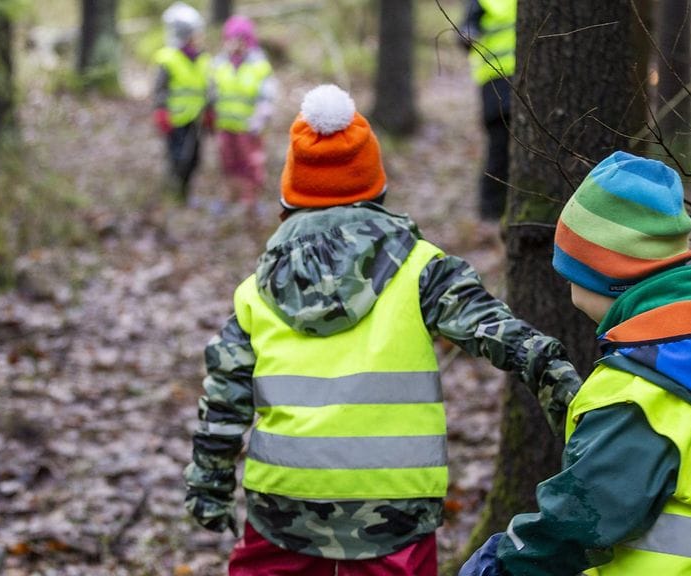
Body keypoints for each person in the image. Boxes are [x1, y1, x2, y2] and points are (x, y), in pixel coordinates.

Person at [184, 84, 583, 576]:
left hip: (282, 505)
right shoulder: (424, 271)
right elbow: (506, 338)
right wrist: (568, 393)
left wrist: (210, 486)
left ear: (288, 196)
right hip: (396, 508)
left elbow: (224, 402)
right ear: (376, 187)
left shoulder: (258, 289)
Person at [460, 151, 691, 575]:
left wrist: (493, 566)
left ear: (602, 275)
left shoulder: (637, 394)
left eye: (570, 268)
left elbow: (574, 526)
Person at [210, 15, 276, 214]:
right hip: (225, 125)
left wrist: (261, 118)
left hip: (249, 128)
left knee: (251, 164)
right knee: (227, 162)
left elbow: (267, 96)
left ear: (248, 40)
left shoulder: (259, 65)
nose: (235, 44)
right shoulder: (219, 64)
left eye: (241, 39)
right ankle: (229, 197)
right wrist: (210, 114)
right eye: (231, 39)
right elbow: (212, 92)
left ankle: (251, 201)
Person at [461, 0, 515, 222]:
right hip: (496, 81)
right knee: (499, 147)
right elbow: (465, 33)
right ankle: (490, 213)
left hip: (530, 79)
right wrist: (467, 34)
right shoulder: (481, 2)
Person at [152, 1, 210, 203]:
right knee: (178, 159)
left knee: (194, 159)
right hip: (175, 119)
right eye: (196, 33)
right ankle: (176, 193)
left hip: (196, 120)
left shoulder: (202, 59)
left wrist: (209, 109)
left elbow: (207, 86)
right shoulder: (168, 59)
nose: (199, 37)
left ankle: (185, 191)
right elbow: (160, 89)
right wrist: (161, 111)